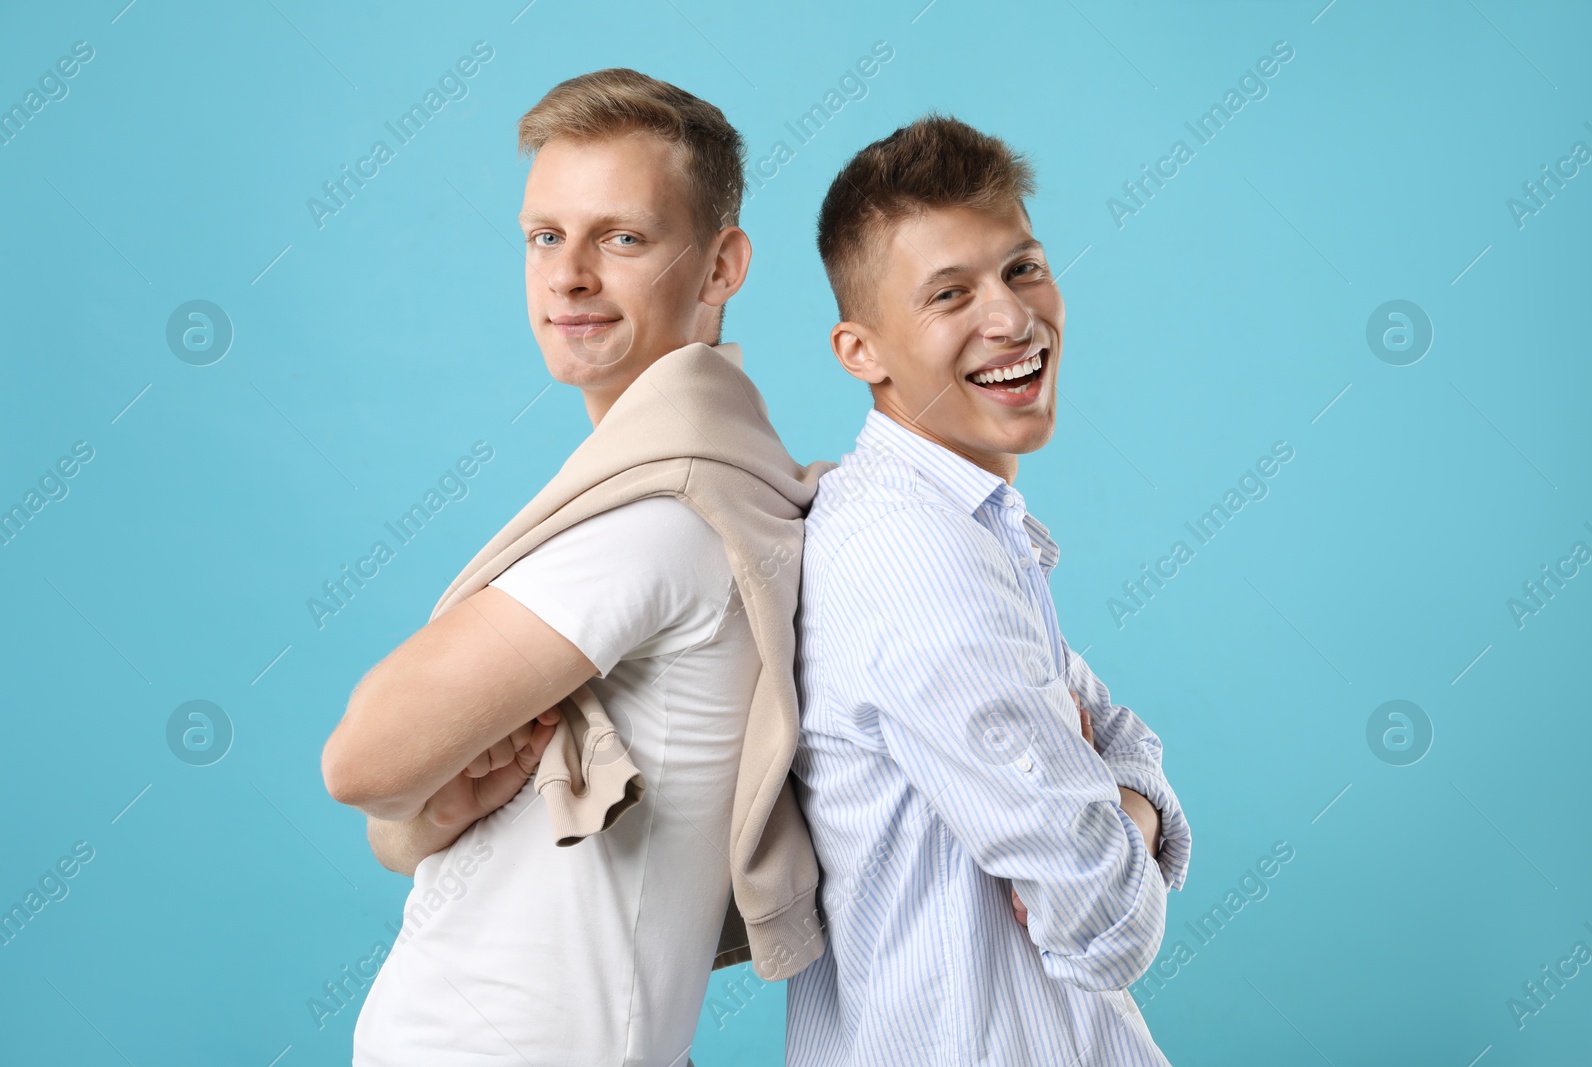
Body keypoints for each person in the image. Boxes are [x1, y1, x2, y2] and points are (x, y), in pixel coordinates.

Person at [320, 68, 828, 1066]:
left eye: (622, 237)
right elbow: (403, 811)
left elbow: (361, 759)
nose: (568, 275)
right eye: (545, 235)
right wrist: (425, 811)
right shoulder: (659, 486)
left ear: (723, 265)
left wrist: (405, 795)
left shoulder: (657, 516)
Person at [784, 114, 1193, 1066]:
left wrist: (1111, 785)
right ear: (861, 351)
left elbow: (1121, 734)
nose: (1011, 318)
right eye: (948, 293)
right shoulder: (921, 564)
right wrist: (1131, 803)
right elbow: (1106, 923)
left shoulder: (956, 530)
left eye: (1021, 268)